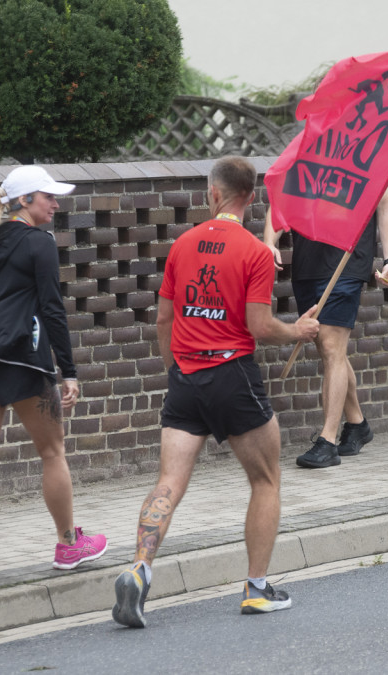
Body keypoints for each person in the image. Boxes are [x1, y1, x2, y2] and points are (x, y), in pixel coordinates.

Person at [112, 157, 320, 627]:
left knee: (169, 482)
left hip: (185, 378)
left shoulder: (182, 246)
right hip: (232, 375)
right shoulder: (255, 252)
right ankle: (257, 588)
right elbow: (259, 326)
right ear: (251, 197)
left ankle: (140, 568)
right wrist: (299, 330)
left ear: (212, 194)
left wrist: (175, 371)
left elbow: (163, 319)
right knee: (265, 480)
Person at [0, 165, 107, 581]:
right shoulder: (39, 243)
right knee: (52, 452)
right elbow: (51, 309)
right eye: (48, 196)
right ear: (25, 200)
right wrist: (69, 372)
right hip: (20, 358)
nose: (56, 203)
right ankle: (68, 544)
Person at [262, 185, 388, 469]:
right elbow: (281, 199)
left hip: (348, 263)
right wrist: (269, 241)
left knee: (331, 346)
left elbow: (385, 205)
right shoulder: (310, 155)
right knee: (327, 347)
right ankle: (358, 424)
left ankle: (327, 441)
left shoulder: (370, 157)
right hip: (307, 264)